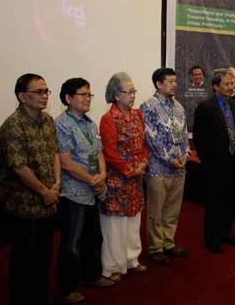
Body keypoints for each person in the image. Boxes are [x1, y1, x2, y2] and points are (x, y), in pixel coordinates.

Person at [0, 73, 61, 305]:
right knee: (25, 258)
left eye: (46, 91)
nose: (44, 96)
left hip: (49, 200)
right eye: (39, 92)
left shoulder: (48, 121)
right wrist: (44, 191)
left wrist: (56, 183)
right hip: (24, 204)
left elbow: (55, 153)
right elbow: (19, 167)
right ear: (23, 96)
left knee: (44, 257)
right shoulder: (13, 125)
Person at [55, 78, 113, 304]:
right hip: (74, 192)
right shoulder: (61, 124)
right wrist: (91, 179)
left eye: (90, 95)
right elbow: (66, 163)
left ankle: (92, 276)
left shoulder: (90, 123)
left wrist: (102, 176)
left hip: (94, 189)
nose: (88, 99)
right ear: (68, 98)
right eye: (83, 94)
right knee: (71, 244)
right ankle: (67, 288)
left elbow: (99, 154)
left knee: (93, 237)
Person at [99, 72, 149, 282]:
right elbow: (110, 153)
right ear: (116, 95)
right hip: (117, 181)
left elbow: (145, 144)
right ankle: (112, 266)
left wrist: (143, 162)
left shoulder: (138, 114)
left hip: (136, 179)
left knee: (134, 220)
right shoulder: (108, 119)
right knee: (115, 226)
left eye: (134, 91)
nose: (133, 95)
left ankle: (132, 259)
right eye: (129, 92)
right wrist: (130, 169)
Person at [141, 68, 189, 265]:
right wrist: (169, 158)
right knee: (156, 211)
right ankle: (155, 248)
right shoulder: (148, 106)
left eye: (175, 81)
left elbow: (184, 134)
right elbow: (150, 137)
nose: (175, 84)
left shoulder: (179, 106)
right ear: (159, 84)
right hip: (158, 167)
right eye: (170, 81)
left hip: (179, 167)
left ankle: (169, 243)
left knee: (173, 209)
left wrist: (185, 154)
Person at [194, 69, 235, 254]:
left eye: (232, 83)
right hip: (214, 163)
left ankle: (225, 233)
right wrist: (207, 161)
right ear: (215, 86)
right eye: (226, 84)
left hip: (233, 161)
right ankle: (211, 239)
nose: (231, 87)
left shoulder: (233, 104)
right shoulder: (206, 106)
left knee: (230, 200)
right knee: (214, 202)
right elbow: (199, 137)